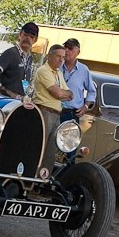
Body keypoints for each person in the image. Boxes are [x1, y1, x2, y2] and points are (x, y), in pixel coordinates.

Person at [32, 44, 73, 172]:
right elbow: (59, 93)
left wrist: (64, 93)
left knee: (50, 152)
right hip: (44, 112)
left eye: (63, 57)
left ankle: (43, 178)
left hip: (56, 114)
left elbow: (71, 94)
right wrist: (63, 93)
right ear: (49, 56)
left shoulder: (58, 73)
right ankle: (30, 176)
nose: (61, 60)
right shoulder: (44, 71)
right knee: (39, 148)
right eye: (58, 56)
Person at [60, 38, 96, 160]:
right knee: (50, 147)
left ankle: (65, 177)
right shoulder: (57, 66)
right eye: (65, 47)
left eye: (70, 48)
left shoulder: (83, 70)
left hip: (71, 114)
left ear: (77, 52)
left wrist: (85, 107)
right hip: (54, 111)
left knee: (69, 149)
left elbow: (92, 91)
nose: (66, 51)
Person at [0, 22, 39, 99]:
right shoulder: (12, 53)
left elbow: (24, 80)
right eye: (25, 35)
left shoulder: (29, 58)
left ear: (35, 40)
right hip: (6, 100)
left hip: (19, 101)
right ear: (20, 35)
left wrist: (27, 95)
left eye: (31, 37)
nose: (27, 38)